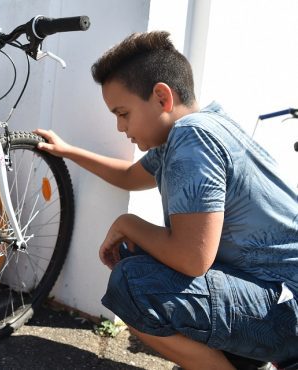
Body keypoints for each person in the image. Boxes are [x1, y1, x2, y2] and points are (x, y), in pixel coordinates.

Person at [36, 31, 298, 369]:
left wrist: (127, 223)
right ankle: (239, 358)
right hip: (277, 296)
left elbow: (192, 259)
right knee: (142, 256)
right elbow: (129, 175)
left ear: (162, 97)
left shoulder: (192, 138)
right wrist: (68, 151)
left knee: (133, 283)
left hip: (287, 307)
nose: (119, 127)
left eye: (123, 113)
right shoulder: (200, 129)